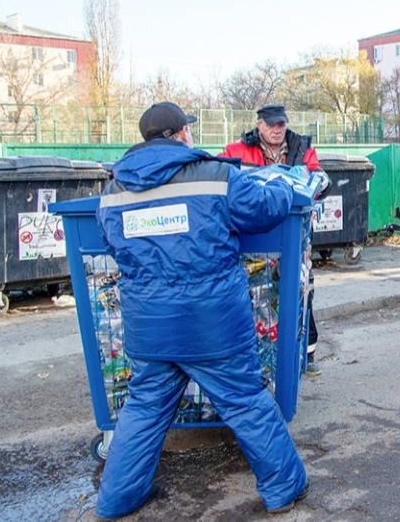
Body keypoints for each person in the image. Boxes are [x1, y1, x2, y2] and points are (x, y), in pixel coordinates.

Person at [94, 102, 309, 519]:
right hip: (211, 323)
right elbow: (264, 208)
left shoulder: (113, 190)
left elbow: (112, 243)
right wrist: (285, 186)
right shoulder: (215, 174)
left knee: (144, 407)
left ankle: (116, 499)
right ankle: (284, 488)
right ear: (179, 135)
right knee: (244, 400)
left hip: (149, 327)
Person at [223, 104, 329, 376]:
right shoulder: (237, 151)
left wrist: (317, 181)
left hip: (295, 233)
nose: (276, 129)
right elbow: (221, 175)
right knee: (257, 293)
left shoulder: (302, 148)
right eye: (270, 124)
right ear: (259, 125)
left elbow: (320, 177)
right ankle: (261, 354)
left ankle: (306, 354)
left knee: (301, 288)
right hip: (255, 236)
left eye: (281, 124)